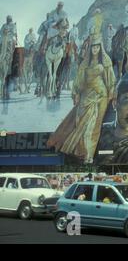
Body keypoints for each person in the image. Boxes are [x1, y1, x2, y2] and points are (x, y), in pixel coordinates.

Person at [47, 35, 116, 164]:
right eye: (93, 47)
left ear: (100, 48)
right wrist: (76, 93)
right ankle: (81, 152)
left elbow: (110, 79)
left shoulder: (105, 61)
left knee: (94, 127)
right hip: (86, 96)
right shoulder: (85, 62)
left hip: (101, 97)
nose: (95, 49)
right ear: (90, 48)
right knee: (81, 125)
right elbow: (79, 80)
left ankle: (89, 156)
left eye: (97, 47)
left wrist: (112, 94)